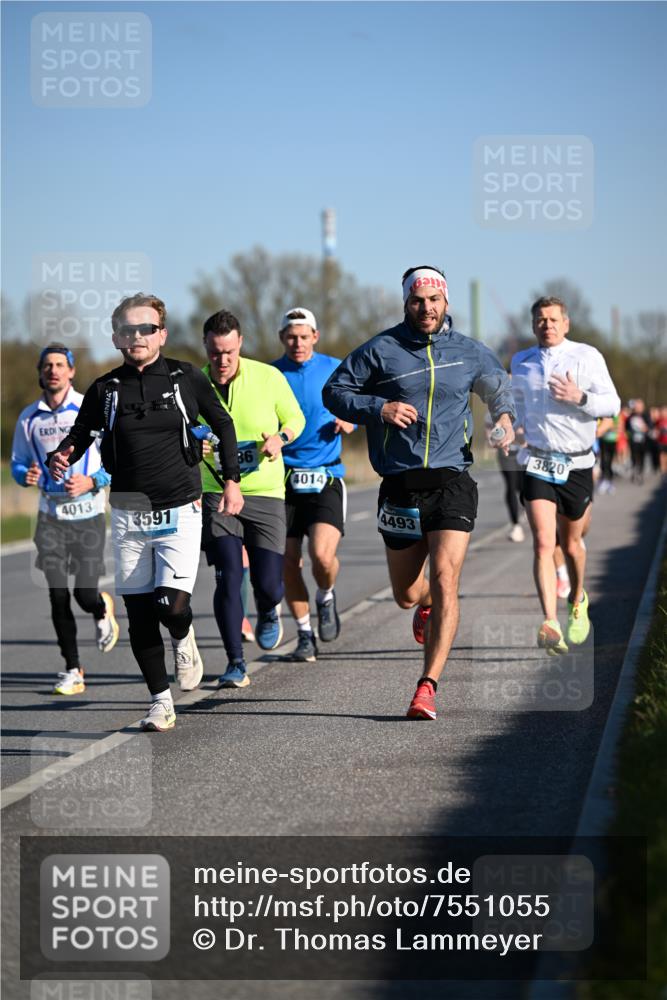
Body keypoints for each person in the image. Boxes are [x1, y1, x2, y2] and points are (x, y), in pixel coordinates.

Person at [323, 265, 516, 721]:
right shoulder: (381, 350)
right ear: (406, 302)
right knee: (408, 594)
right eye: (417, 300)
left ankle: (427, 685)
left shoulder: (468, 352)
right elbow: (335, 391)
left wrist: (504, 419)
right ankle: (424, 604)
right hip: (400, 487)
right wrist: (379, 407)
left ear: (446, 302)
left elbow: (499, 388)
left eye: (433, 300)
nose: (426, 308)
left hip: (452, 482)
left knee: (448, 578)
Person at [49, 294, 243, 732]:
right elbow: (82, 433)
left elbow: (223, 423)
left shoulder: (184, 377)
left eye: (147, 328)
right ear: (117, 336)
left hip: (180, 505)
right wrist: (63, 453)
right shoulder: (105, 389)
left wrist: (231, 480)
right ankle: (160, 701)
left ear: (162, 333)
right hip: (128, 512)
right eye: (128, 330)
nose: (138, 337)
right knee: (138, 613)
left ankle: (183, 633)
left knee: (170, 605)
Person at [199, 309, 305, 688]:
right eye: (215, 353)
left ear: (240, 343)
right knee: (227, 577)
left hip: (265, 492)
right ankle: (235, 662)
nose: (222, 360)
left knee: (270, 584)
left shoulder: (268, 376)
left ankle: (269, 609)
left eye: (228, 351)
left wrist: (281, 438)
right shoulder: (195, 385)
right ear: (206, 348)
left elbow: (295, 418)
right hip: (217, 492)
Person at [511, 296, 620, 654]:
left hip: (577, 464)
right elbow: (514, 409)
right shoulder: (521, 362)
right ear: (533, 325)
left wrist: (580, 396)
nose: (548, 325)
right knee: (544, 542)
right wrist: (508, 430)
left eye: (554, 319)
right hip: (537, 461)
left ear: (566, 323)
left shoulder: (587, 356)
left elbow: (613, 405)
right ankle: (550, 622)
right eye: (541, 320)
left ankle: (577, 600)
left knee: (572, 544)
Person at [11, 344, 119, 695]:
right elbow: (18, 462)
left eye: (60, 365)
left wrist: (92, 481)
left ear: (71, 372)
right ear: (40, 372)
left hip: (87, 515)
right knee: (57, 596)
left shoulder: (89, 408)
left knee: (83, 594)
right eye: (47, 365)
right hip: (50, 518)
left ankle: (101, 607)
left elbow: (117, 462)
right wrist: (22, 475)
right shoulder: (30, 417)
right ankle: (73, 670)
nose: (53, 370)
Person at [271, 307, 355, 661]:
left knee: (322, 555)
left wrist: (350, 420)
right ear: (282, 339)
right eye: (291, 337)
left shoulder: (335, 367)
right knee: (288, 561)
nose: (298, 343)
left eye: (304, 336)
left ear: (315, 337)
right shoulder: (271, 374)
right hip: (284, 478)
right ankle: (304, 634)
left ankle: (326, 594)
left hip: (326, 475)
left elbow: (357, 403)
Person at [626, 399, 650, 484]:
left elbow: (650, 426)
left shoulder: (646, 415)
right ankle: (634, 471)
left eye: (639, 406)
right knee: (634, 456)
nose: (638, 408)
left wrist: (645, 428)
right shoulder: (631, 416)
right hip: (633, 441)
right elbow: (627, 427)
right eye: (636, 406)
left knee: (642, 457)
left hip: (643, 441)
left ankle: (640, 472)